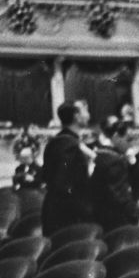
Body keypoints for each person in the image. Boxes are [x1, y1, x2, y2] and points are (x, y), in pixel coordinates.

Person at [41, 101, 93, 235]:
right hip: (67, 217)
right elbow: (64, 185)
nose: (89, 115)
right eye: (85, 111)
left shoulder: (58, 141)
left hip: (57, 212)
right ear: (76, 116)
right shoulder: (69, 145)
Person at [90, 121, 139, 231]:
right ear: (115, 137)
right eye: (125, 139)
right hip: (117, 220)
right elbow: (119, 196)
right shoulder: (113, 160)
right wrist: (137, 215)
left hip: (99, 217)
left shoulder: (98, 156)